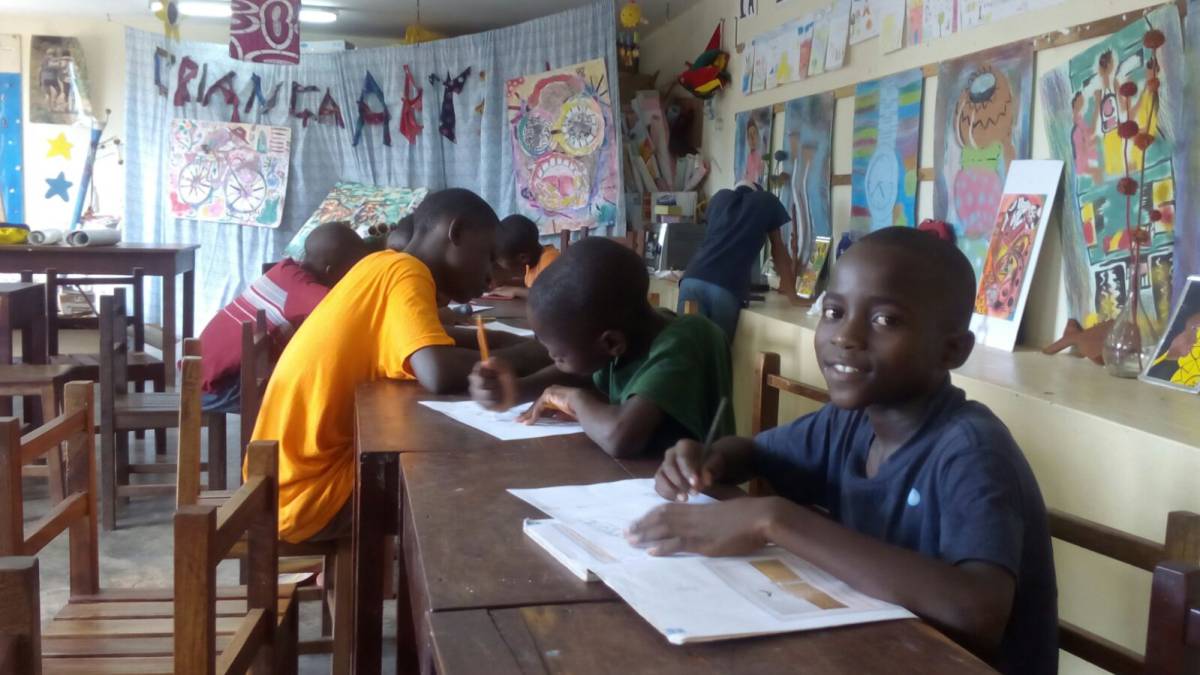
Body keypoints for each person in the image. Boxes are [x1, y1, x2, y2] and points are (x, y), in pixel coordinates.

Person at [628, 227, 1057, 675]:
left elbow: (977, 611)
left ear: (953, 350)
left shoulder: (971, 451)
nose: (844, 336)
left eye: (885, 320)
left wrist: (774, 519)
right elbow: (754, 453)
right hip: (871, 649)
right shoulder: (849, 421)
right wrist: (706, 459)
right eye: (833, 311)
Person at [252, 189, 548, 544]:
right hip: (314, 493)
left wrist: (529, 345)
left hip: (282, 482)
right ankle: (440, 594)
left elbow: (442, 338)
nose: (489, 276)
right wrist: (534, 355)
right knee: (469, 493)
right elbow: (438, 371)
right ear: (456, 233)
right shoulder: (408, 272)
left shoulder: (381, 264)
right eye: (486, 257)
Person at [470, 237, 734, 458]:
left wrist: (573, 399)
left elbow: (619, 437)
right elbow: (579, 373)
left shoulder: (684, 341)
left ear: (611, 343)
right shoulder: (631, 336)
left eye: (558, 356)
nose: (551, 359)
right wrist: (516, 390)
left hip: (704, 497)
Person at [197, 222, 369, 413]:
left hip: (201, 375)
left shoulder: (285, 270)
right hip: (217, 389)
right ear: (330, 271)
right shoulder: (310, 294)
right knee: (319, 392)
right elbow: (356, 311)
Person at [678, 181, 797, 342]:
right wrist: (793, 295)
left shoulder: (718, 199)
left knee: (686, 347)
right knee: (717, 351)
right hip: (724, 285)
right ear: (757, 191)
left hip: (691, 280)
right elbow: (778, 250)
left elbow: (710, 241)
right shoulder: (766, 201)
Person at [489, 214, 560, 298]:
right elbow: (532, 285)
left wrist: (515, 291)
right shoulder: (532, 263)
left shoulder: (550, 259)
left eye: (499, 259)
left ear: (523, 258)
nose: (498, 262)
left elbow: (550, 293)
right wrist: (506, 284)